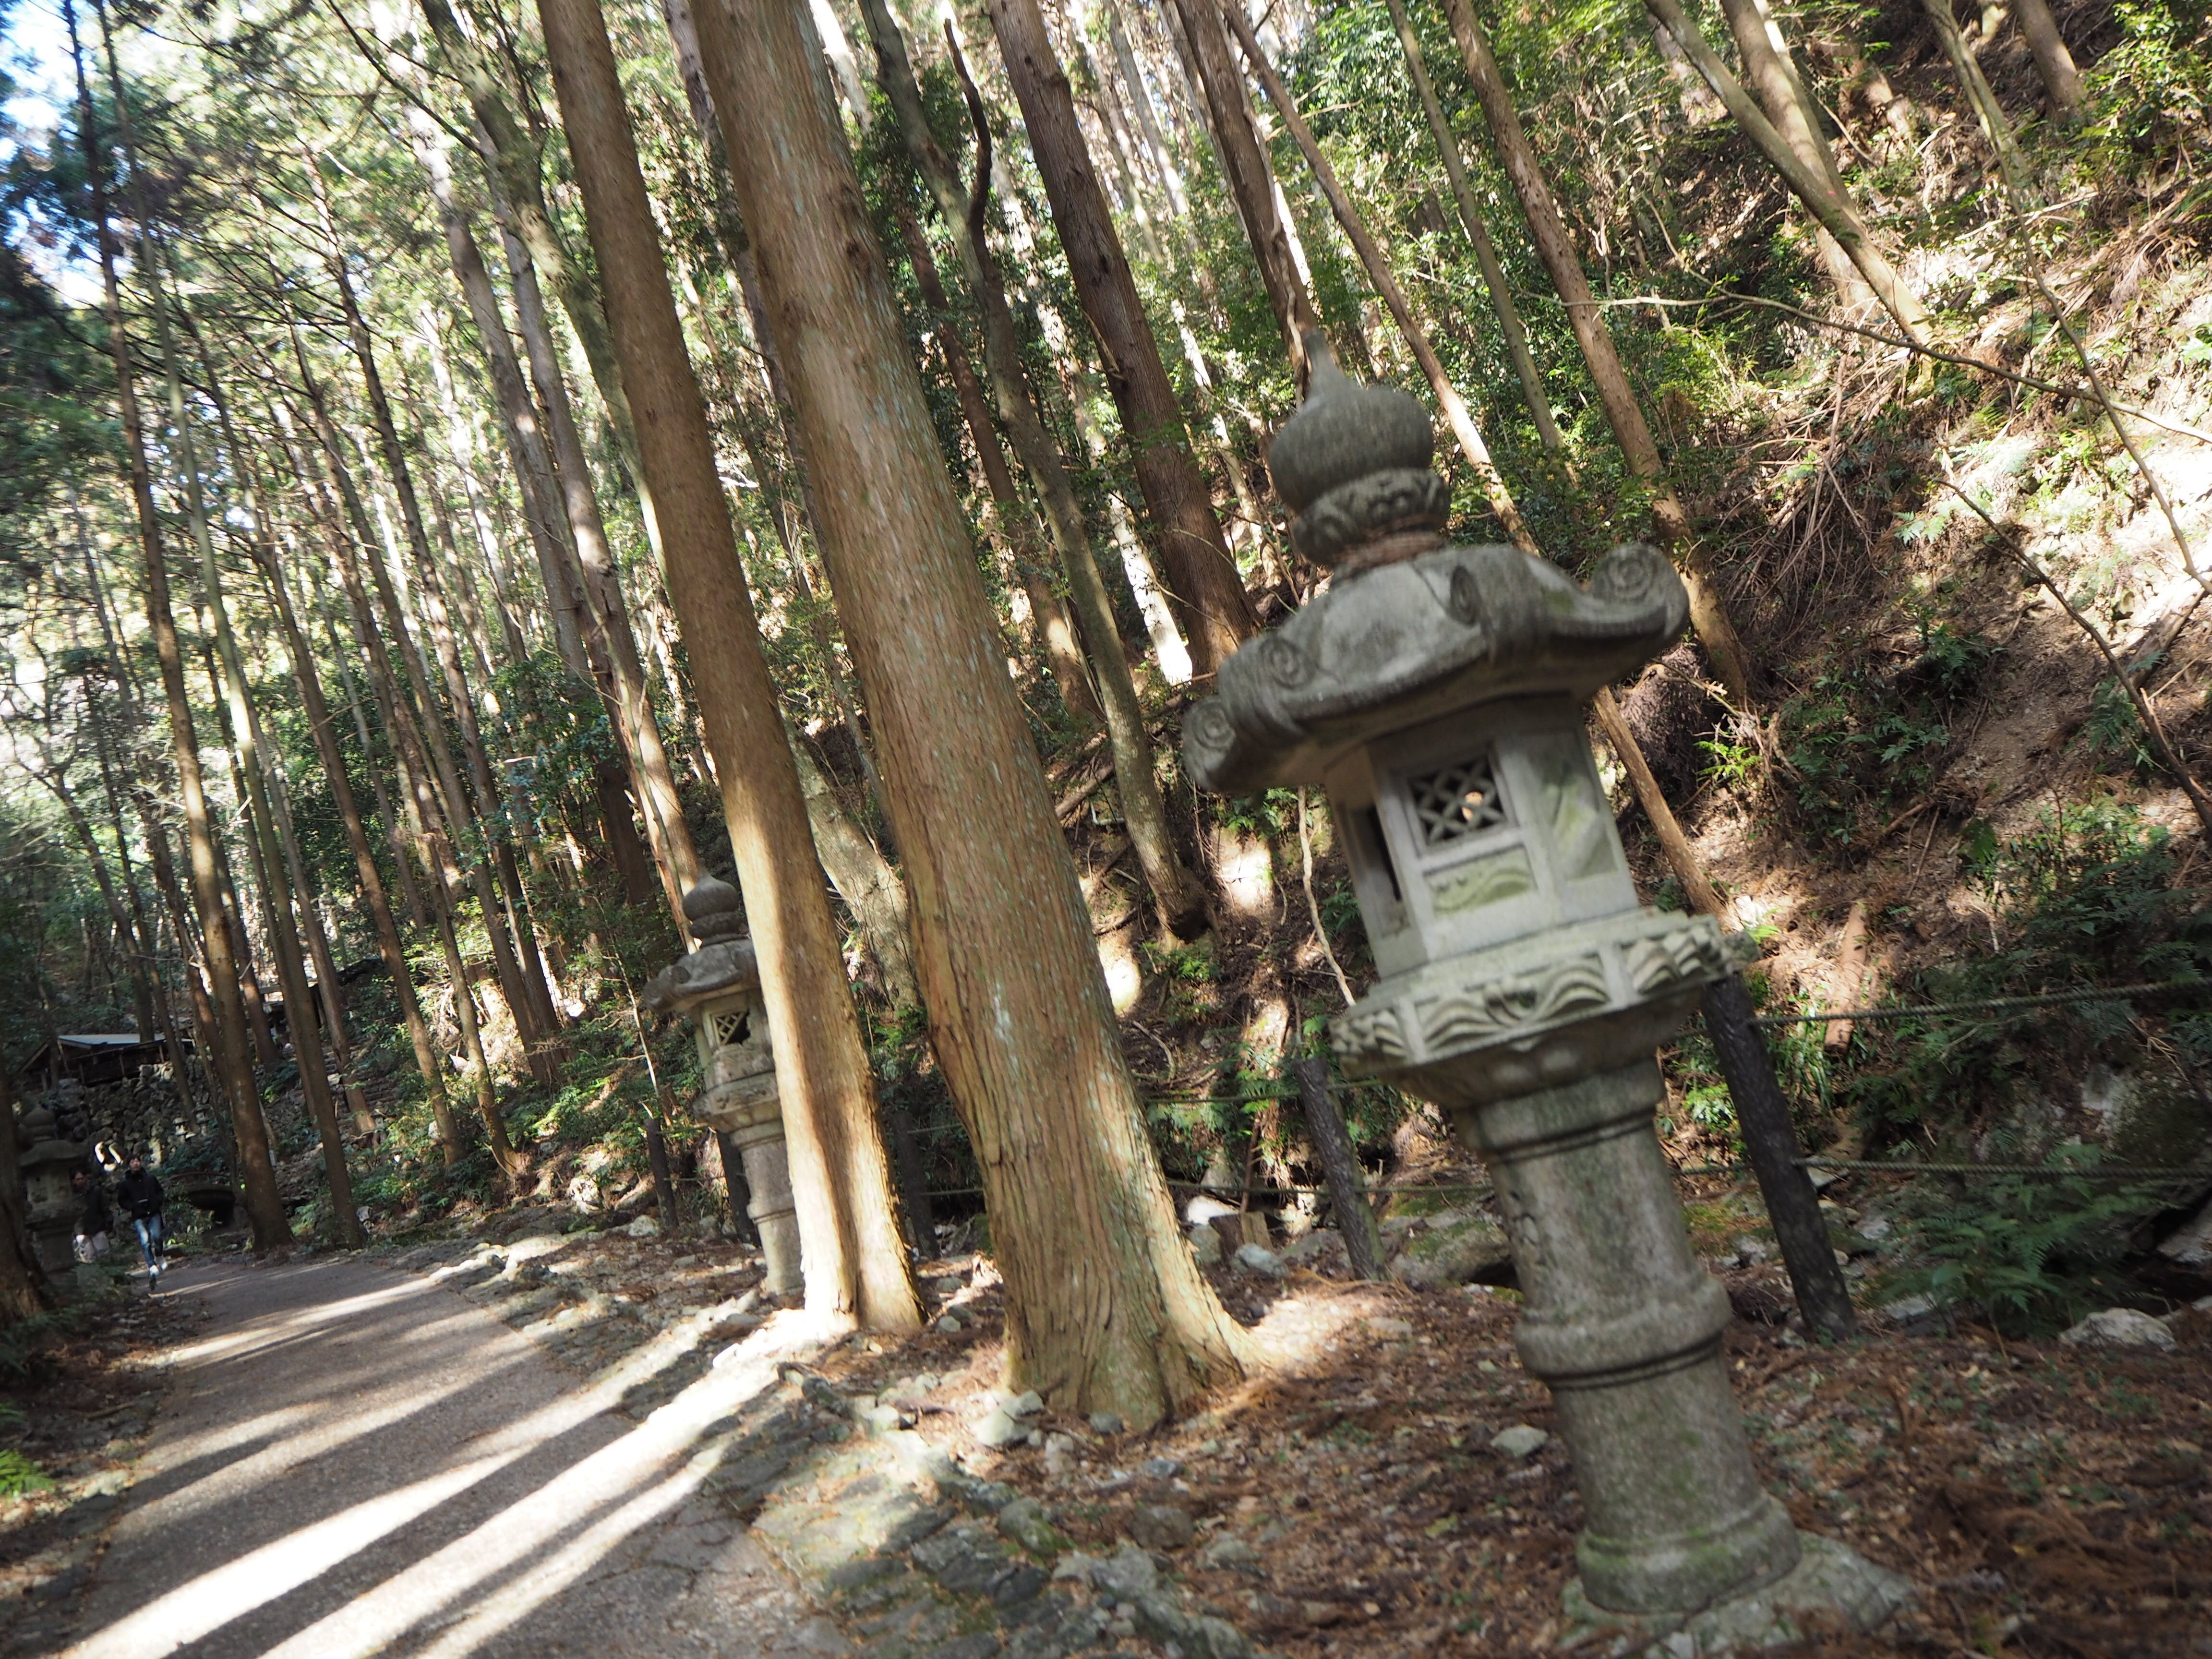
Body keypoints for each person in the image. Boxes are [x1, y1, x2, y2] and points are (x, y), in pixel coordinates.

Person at [117, 1156, 167, 1280]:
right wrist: (133, 1206)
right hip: (139, 1215)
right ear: (129, 1165)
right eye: (133, 1162)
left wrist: (157, 1201)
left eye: (137, 1161)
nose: (136, 1164)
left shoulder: (150, 1179)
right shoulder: (125, 1184)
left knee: (157, 1236)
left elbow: (160, 1191)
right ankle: (151, 1265)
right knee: (145, 1241)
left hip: (153, 1212)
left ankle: (159, 1255)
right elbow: (122, 1200)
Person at [73, 1168, 112, 1262]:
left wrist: (108, 1222)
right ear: (73, 1181)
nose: (81, 1181)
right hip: (81, 1231)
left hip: (97, 1227)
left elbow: (104, 1207)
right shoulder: (72, 1197)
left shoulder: (96, 1192)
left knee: (104, 1255)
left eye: (82, 1178)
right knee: (89, 1259)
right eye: (78, 1179)